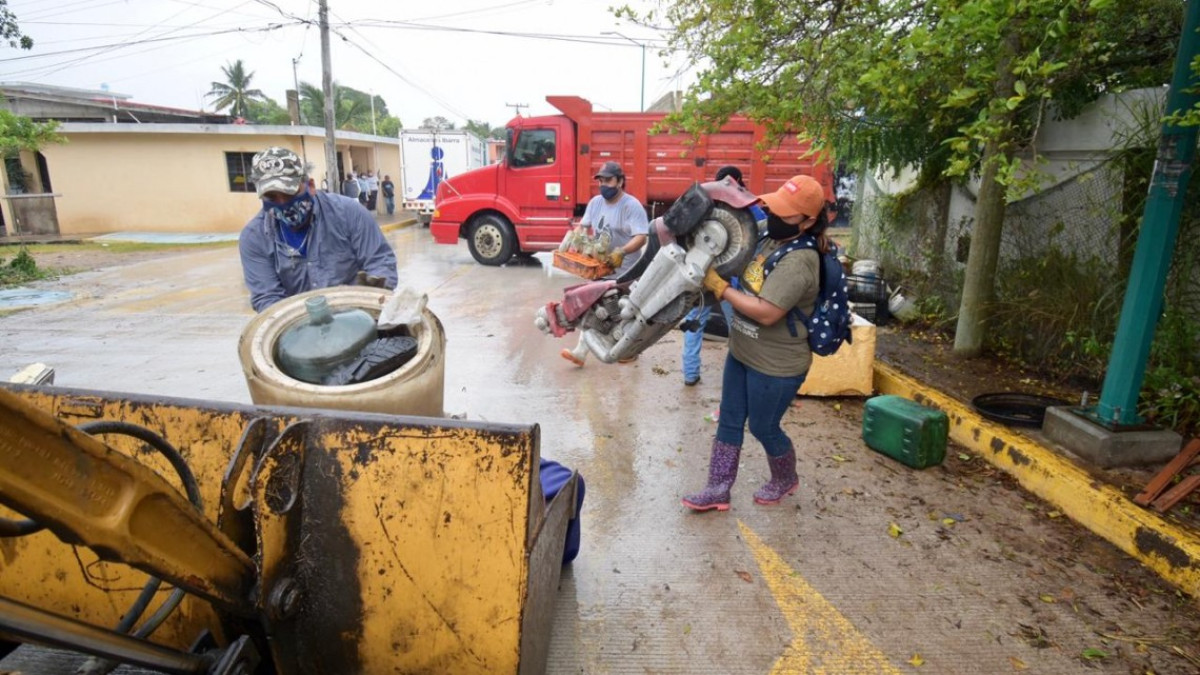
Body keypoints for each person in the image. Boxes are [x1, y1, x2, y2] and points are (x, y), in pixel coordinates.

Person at [681, 174, 827, 511]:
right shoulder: (768, 238)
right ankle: (717, 488)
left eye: (785, 212)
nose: (774, 215)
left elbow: (767, 312)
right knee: (729, 420)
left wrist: (720, 288)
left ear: (807, 222)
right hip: (742, 352)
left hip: (776, 366)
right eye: (775, 207)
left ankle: (785, 477)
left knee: (763, 426)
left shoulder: (800, 261)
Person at [239, 147, 398, 313]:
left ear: (311, 185)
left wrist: (368, 298)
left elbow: (380, 263)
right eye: (271, 197)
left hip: (359, 314)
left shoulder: (349, 213)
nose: (282, 203)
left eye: (290, 193)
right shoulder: (254, 238)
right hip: (297, 323)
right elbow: (267, 298)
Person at [560, 160, 650, 367]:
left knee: (623, 314)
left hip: (626, 271)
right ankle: (581, 352)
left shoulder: (631, 206)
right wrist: (576, 241)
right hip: (600, 267)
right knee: (593, 308)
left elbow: (641, 237)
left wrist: (621, 251)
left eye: (608, 180)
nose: (603, 185)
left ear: (620, 181)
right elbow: (583, 228)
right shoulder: (595, 203)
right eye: (600, 181)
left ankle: (631, 350)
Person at [680, 165, 753, 386]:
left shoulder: (703, 205)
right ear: (739, 181)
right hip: (728, 281)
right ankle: (742, 374)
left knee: (694, 325)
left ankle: (690, 374)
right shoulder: (748, 209)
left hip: (700, 276)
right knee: (737, 327)